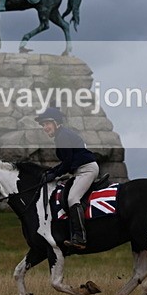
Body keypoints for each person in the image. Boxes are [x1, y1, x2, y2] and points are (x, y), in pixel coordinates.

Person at [36, 106, 99, 250]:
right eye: (43, 125)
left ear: (56, 123)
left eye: (47, 124)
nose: (45, 127)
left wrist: (54, 173)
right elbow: (67, 163)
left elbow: (68, 162)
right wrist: (52, 171)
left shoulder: (62, 136)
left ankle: (80, 237)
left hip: (86, 169)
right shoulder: (61, 135)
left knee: (72, 198)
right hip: (80, 170)